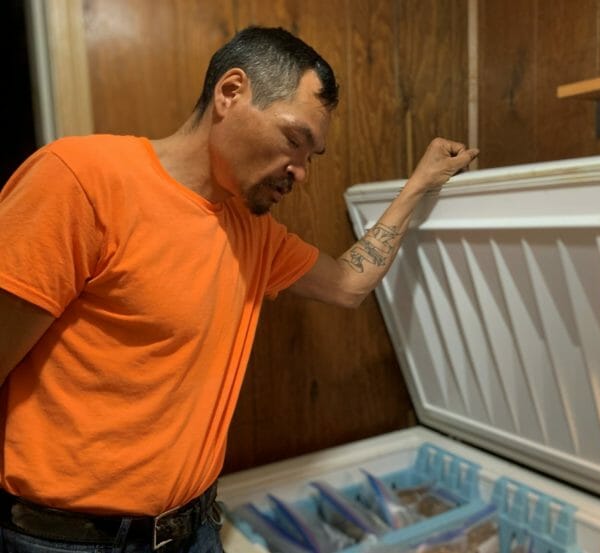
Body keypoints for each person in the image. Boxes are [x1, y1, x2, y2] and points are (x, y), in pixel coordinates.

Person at [0, 26, 477, 552]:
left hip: (195, 529)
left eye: (312, 155)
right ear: (231, 92)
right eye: (295, 139)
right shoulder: (80, 181)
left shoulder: (252, 231)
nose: (301, 172)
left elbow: (348, 284)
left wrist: (421, 183)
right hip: (69, 543)